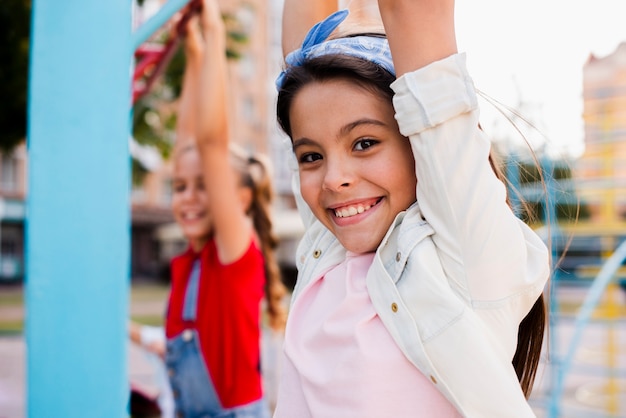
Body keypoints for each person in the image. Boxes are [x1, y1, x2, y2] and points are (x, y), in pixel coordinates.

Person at [273, 0, 550, 416]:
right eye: (311, 156)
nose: (333, 178)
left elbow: (416, 18)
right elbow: (305, 61)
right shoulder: (328, 254)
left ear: (418, 143)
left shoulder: (465, 257)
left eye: (364, 143)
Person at [163, 0, 287, 416]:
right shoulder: (194, 260)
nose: (189, 197)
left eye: (207, 186)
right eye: (179, 187)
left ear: (240, 199)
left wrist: (215, 33)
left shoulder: (234, 254)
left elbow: (209, 143)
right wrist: (194, 53)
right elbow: (189, 147)